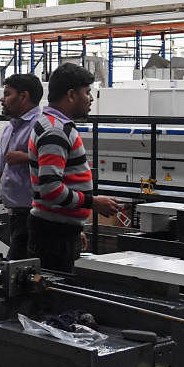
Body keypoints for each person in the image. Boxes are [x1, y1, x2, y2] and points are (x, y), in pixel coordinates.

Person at [28, 63, 122, 271]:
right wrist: (92, 202)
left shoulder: (54, 125)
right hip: (54, 236)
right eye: (87, 92)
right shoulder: (56, 131)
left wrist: (74, 227)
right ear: (71, 95)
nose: (91, 99)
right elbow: (50, 189)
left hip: (58, 230)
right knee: (53, 294)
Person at [0, 74, 43, 260]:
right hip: (16, 216)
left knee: (21, 270)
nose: (2, 99)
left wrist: (27, 157)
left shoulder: (41, 126)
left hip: (38, 216)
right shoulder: (9, 129)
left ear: (24, 96)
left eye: (7, 94)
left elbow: (61, 166)